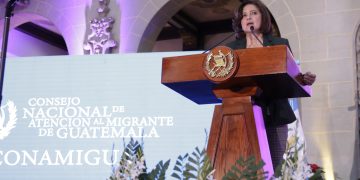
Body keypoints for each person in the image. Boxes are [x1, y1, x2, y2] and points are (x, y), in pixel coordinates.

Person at [226, 0, 316, 170]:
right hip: (241, 112)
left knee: (272, 167)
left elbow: (293, 75)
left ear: (263, 17)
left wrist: (303, 79)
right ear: (240, 22)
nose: (248, 18)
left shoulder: (279, 44)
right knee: (243, 167)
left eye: (253, 13)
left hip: (275, 112)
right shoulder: (230, 50)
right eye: (244, 15)